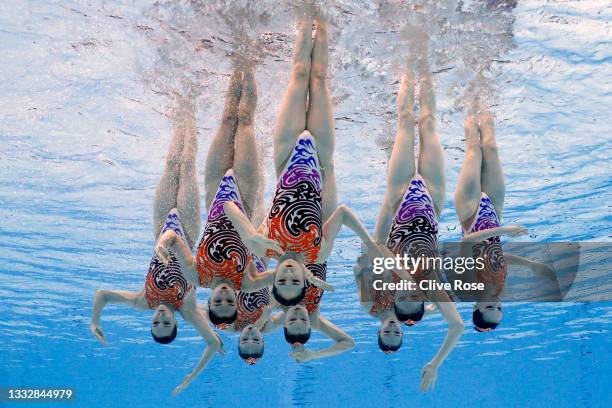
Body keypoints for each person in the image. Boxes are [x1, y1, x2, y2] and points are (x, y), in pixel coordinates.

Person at [223, 12, 382, 361]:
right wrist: (370, 243)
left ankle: (304, 13)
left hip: (285, 156)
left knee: (298, 75)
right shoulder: (317, 255)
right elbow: (339, 212)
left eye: (283, 282)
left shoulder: (266, 248)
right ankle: (322, 19)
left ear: (274, 279)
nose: (291, 277)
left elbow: (228, 208)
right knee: (320, 79)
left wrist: (248, 234)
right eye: (297, 282)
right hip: (320, 161)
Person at [90, 98, 223, 396]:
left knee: (171, 163)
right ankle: (193, 110)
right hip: (187, 229)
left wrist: (95, 322)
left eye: (156, 323)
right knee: (187, 165)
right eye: (166, 322)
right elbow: (214, 342)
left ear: (151, 321)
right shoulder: (187, 309)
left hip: (161, 223)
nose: (161, 316)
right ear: (174, 323)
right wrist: (191, 377)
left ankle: (182, 108)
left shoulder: (142, 301)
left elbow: (102, 295)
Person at [155, 67, 277, 365]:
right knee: (245, 121)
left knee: (227, 119)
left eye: (216, 302)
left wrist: (163, 241)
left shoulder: (198, 276)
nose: (223, 296)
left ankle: (237, 62)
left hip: (215, 192)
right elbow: (288, 275)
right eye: (228, 302)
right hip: (246, 196)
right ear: (237, 302)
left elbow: (174, 240)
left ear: (208, 301)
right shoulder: (248, 283)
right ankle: (251, 62)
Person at [360, 59, 464, 392]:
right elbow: (457, 327)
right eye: (415, 296)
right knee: (429, 124)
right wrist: (434, 364)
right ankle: (427, 65)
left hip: (400, 193)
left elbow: (376, 239)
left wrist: (393, 198)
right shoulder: (430, 286)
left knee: (405, 123)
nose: (411, 290)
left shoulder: (386, 277)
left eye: (403, 295)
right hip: (432, 200)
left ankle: (407, 66)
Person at [454, 103, 553, 332]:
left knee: (474, 150)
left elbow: (467, 243)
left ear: (476, 308)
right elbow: (498, 256)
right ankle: (484, 97)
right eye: (499, 310)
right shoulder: (499, 288)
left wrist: (504, 232)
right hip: (493, 214)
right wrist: (533, 266)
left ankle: (468, 99)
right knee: (491, 148)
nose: (497, 306)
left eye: (490, 309)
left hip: (470, 213)